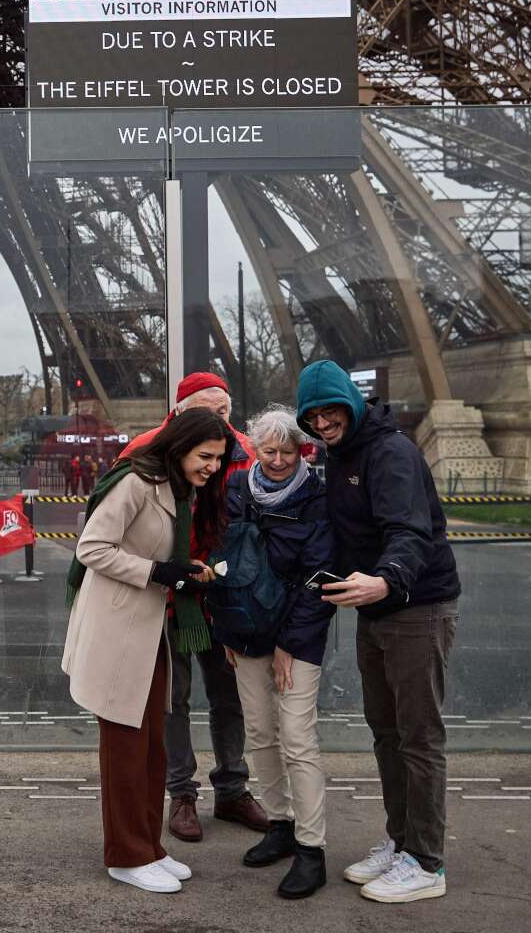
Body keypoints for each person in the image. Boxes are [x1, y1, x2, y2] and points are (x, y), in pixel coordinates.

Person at [296, 360, 460, 904]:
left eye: (330, 412)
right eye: (312, 417)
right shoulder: (341, 453)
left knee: (418, 736)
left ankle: (427, 863)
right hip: (377, 605)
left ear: (351, 404)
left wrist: (386, 580)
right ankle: (402, 842)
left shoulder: (390, 453)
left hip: (417, 605)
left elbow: (411, 532)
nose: (322, 424)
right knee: (387, 733)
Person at [63, 408, 234, 894]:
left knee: (151, 746)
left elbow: (153, 551)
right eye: (206, 456)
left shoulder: (175, 487)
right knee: (124, 749)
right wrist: (159, 572)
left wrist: (180, 569)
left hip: (147, 630)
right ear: (180, 448)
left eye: (218, 459)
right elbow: (91, 548)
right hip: (118, 630)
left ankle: (149, 847)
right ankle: (126, 855)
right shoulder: (136, 483)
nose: (213, 467)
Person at [120, 371, 266, 843]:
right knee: (173, 698)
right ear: (181, 412)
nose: (217, 422)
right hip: (170, 593)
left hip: (225, 594)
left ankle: (232, 787)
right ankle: (181, 792)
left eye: (224, 412)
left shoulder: (246, 453)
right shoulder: (144, 452)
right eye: (208, 412)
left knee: (230, 696)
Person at [211, 404, 336, 899]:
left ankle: (311, 847)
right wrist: (226, 628)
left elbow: (320, 576)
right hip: (245, 631)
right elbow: (221, 559)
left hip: (295, 635)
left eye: (289, 451)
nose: (279, 460)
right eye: (269, 451)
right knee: (261, 733)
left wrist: (289, 643)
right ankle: (280, 823)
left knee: (298, 739)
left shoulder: (316, 498)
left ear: (303, 451)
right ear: (255, 450)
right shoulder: (236, 488)